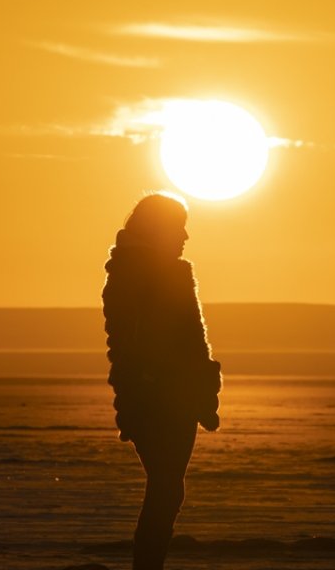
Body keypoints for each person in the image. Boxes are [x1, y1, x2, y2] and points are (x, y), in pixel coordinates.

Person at [102, 192, 222, 570]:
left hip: (178, 397)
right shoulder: (131, 275)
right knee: (166, 488)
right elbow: (124, 343)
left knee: (169, 490)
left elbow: (192, 340)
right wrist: (147, 385)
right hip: (155, 399)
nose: (185, 236)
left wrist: (200, 387)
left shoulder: (171, 272)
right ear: (158, 229)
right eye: (178, 227)